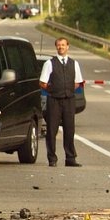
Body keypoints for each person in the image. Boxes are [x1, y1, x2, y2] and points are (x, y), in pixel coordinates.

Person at [40, 37, 84, 167]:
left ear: (68, 46)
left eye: (63, 45)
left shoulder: (74, 63)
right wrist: (54, 89)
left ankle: (70, 158)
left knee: (69, 129)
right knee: (52, 130)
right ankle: (52, 158)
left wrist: (67, 89)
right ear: (56, 47)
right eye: (59, 45)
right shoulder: (49, 63)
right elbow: (42, 82)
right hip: (54, 100)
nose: (61, 47)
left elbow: (77, 82)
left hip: (69, 100)